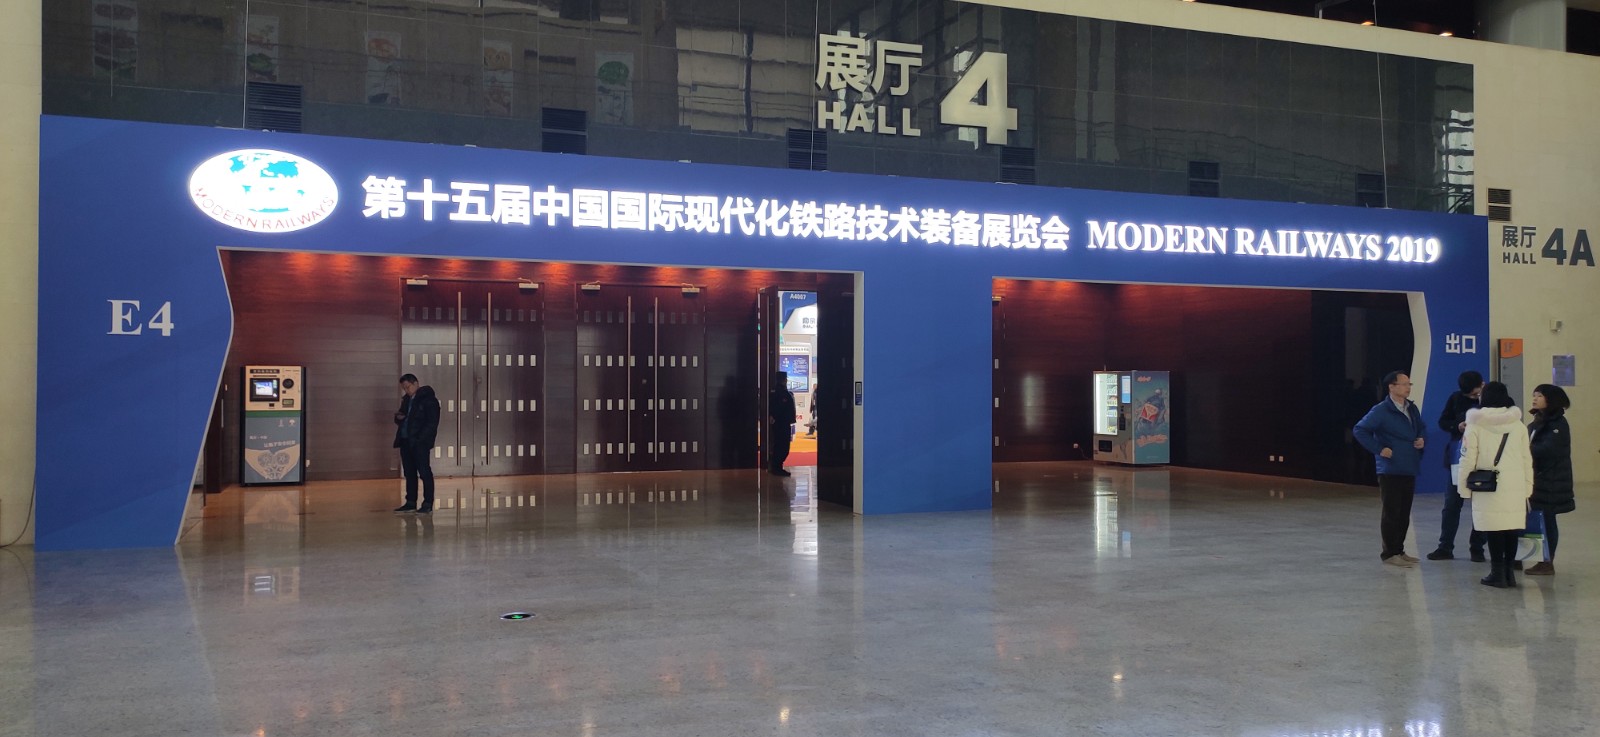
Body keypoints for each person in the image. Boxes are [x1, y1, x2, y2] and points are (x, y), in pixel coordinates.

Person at [1457, 382, 1533, 588]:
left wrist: (1464, 489)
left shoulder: (1475, 425)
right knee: (1511, 528)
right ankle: (1509, 574)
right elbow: (1527, 459)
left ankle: (1497, 573)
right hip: (1515, 485)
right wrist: (1528, 487)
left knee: (1493, 529)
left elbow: (1467, 459)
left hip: (1488, 485)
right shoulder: (1518, 426)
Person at [1353, 371, 1427, 568]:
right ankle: (1389, 552)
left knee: (1404, 512)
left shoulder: (1412, 408)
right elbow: (1360, 430)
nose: (1408, 388)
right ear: (1391, 387)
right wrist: (1379, 449)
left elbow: (1421, 427)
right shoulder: (1381, 410)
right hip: (1390, 467)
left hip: (1409, 464)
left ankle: (1399, 550)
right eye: (1404, 384)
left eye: (1409, 384)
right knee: (1392, 511)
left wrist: (1421, 438)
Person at [1428, 370, 1487, 561]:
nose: (1473, 397)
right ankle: (1445, 546)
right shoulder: (1455, 398)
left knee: (1481, 506)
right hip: (1458, 458)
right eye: (1469, 395)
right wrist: (1457, 426)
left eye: (1475, 393)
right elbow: (1443, 422)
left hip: (1483, 460)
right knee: (1452, 504)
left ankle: (1477, 547)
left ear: (1482, 385)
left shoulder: (1492, 399)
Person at [1526, 384, 1574, 576]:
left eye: (1539, 395)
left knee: (1547, 520)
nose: (1535, 398)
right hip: (1539, 480)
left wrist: (1524, 451)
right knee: (1540, 519)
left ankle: (1547, 562)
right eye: (1534, 395)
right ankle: (1537, 558)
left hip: (1551, 481)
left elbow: (1549, 450)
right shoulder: (1538, 421)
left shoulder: (1558, 424)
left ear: (1551, 400)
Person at [393, 373, 441, 513]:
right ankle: (410, 501)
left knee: (424, 472)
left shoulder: (429, 400)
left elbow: (432, 423)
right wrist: (399, 418)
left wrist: (420, 439)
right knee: (409, 472)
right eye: (404, 388)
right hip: (406, 440)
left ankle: (427, 503)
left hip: (419, 442)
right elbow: (401, 416)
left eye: (408, 387)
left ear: (416, 384)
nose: (406, 390)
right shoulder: (407, 400)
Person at [768, 370, 796, 476]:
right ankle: (777, 467)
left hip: (782, 422)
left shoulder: (781, 391)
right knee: (782, 446)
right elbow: (779, 408)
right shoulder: (780, 392)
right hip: (782, 423)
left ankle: (777, 466)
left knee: (781, 445)